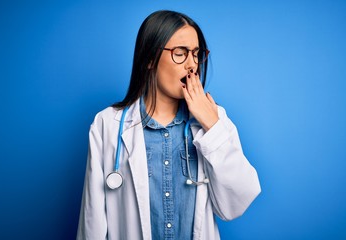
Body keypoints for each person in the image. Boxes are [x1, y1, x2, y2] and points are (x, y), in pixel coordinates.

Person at [77, 10, 261, 240]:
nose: (192, 65)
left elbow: (236, 205)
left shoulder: (214, 120)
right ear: (150, 59)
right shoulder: (107, 125)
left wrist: (213, 128)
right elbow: (92, 221)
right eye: (180, 53)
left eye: (196, 54)